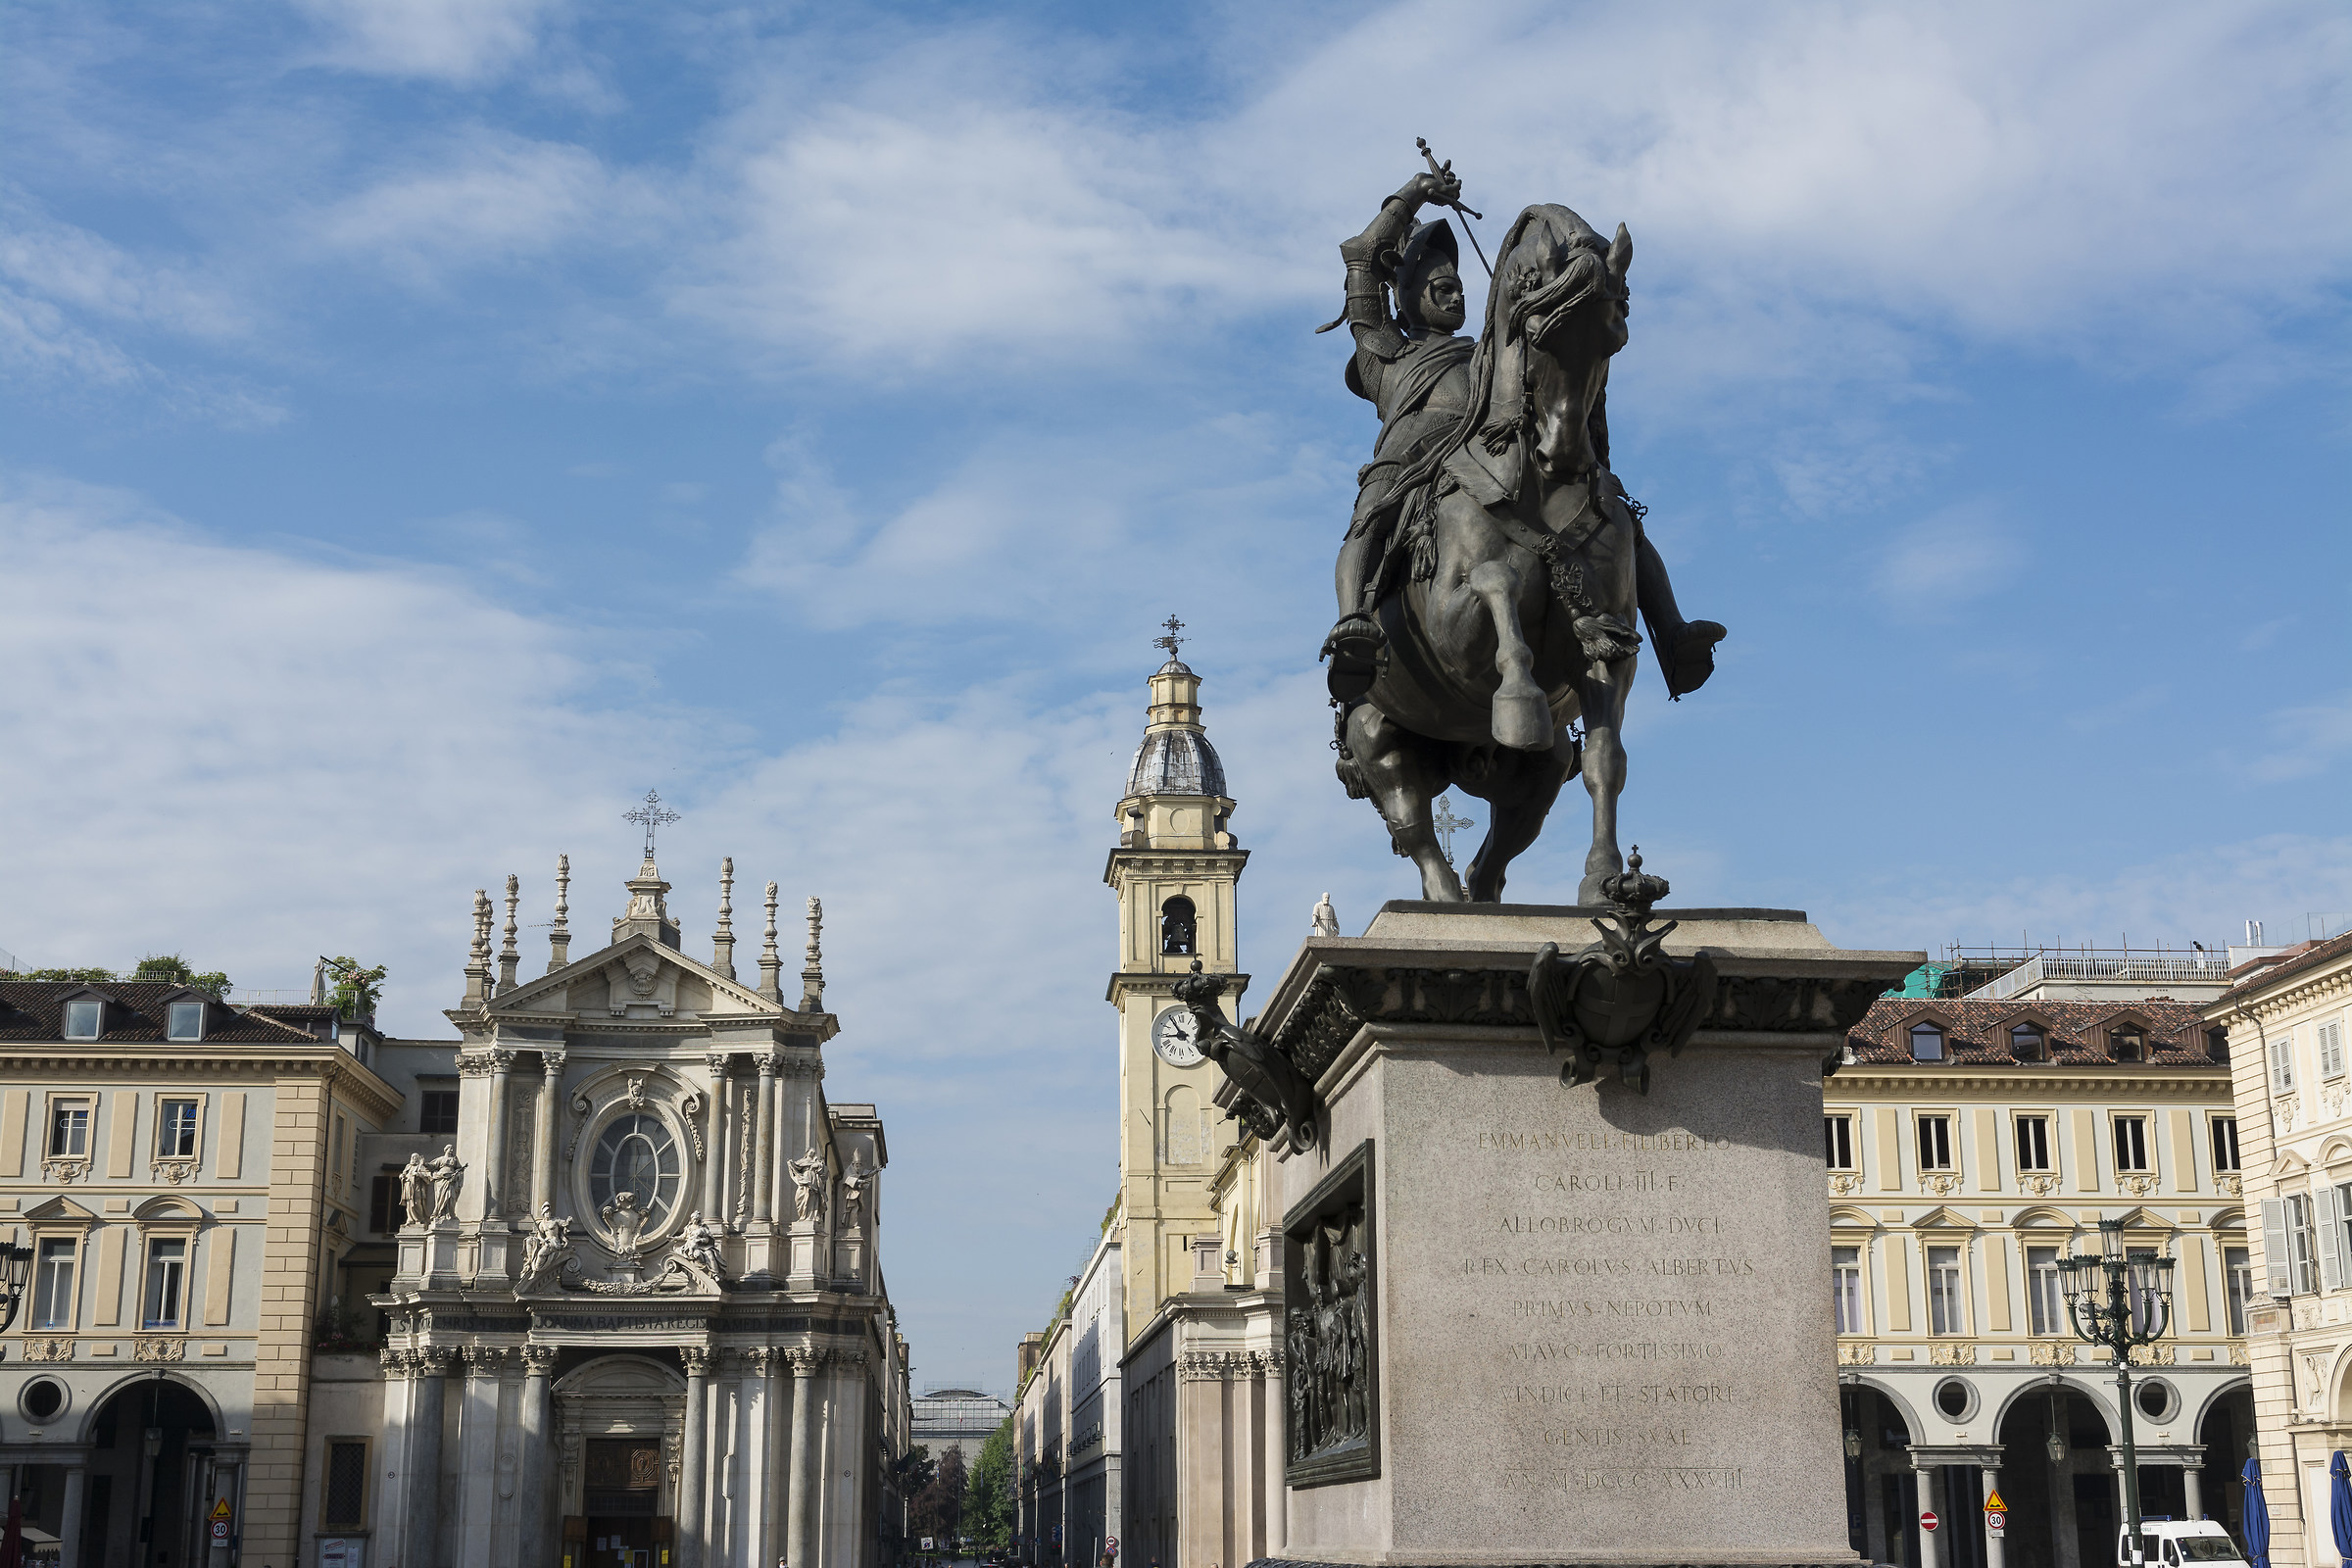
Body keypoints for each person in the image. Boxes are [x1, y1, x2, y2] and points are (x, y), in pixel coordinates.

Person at [1322, 167, 1723, 706]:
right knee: (1372, 513)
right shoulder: (1387, 354)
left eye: (1461, 290)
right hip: (1413, 458)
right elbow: (1362, 259)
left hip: (1491, 449)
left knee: (1612, 506)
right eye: (1442, 289)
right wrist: (1412, 195)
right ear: (1408, 295)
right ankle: (1353, 625)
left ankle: (1668, 631)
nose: (1456, 298)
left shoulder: (1485, 355)